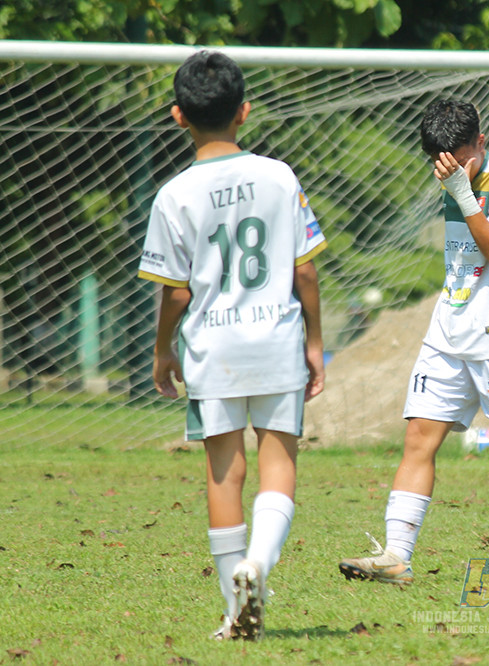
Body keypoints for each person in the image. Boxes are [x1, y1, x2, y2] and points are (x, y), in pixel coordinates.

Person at [337, 99, 489, 588]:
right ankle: (396, 557)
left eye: (456, 158)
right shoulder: (451, 176)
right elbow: (478, 254)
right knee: (419, 439)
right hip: (448, 330)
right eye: (438, 161)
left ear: (481, 143)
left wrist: (466, 197)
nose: (446, 169)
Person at [137, 50, 327, 640]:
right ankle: (259, 566)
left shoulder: (173, 195)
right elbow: (306, 273)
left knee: (225, 474)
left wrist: (163, 348)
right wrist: (315, 342)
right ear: (244, 111)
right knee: (279, 464)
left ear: (178, 116)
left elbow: (174, 293)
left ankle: (233, 612)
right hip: (275, 340)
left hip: (211, 350)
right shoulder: (280, 176)